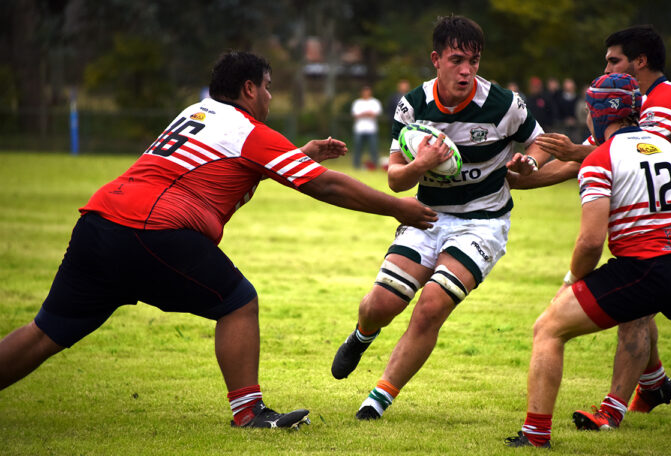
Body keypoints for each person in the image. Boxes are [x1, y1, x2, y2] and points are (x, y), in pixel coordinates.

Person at [0, 51, 438, 430]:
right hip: (152, 230)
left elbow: (224, 168)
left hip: (99, 221)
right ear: (249, 89)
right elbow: (326, 185)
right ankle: (248, 413)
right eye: (268, 87)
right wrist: (398, 208)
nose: (270, 97)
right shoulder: (249, 130)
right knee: (237, 302)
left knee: (44, 333)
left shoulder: (194, 112)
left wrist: (297, 156)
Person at [505, 73, 671, 449]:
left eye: (589, 111)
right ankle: (652, 382)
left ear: (598, 113)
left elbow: (591, 242)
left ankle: (534, 435)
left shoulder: (600, 159)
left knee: (548, 329)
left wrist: (571, 282)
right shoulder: (670, 151)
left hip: (644, 267)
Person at [330, 15, 549, 420]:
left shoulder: (504, 104)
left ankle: (377, 399)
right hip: (427, 216)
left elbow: (541, 142)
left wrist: (530, 162)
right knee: (381, 304)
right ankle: (362, 335)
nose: (466, 71)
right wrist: (423, 163)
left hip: (483, 222)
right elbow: (396, 180)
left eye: (474, 61)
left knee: (432, 304)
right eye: (456, 60)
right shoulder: (413, 106)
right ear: (436, 59)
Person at [510, 25, 671, 428]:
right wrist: (517, 179)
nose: (606, 68)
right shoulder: (626, 106)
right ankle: (654, 383)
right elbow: (587, 160)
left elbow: (626, 156)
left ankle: (612, 411)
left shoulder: (664, 100)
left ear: (639, 61)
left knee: (635, 310)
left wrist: (577, 152)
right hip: (665, 223)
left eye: (613, 60)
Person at [351, 85, 383, 169]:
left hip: (371, 129)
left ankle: (374, 165)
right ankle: (356, 165)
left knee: (373, 148)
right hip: (359, 129)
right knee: (358, 148)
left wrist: (363, 114)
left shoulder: (375, 102)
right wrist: (367, 113)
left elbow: (375, 114)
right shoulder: (357, 102)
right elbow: (355, 115)